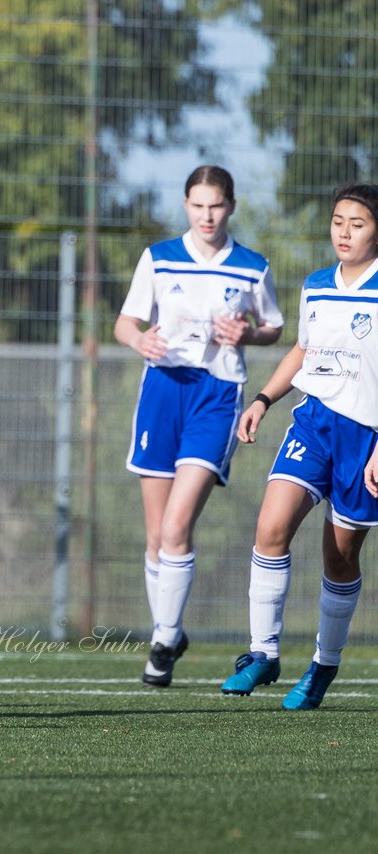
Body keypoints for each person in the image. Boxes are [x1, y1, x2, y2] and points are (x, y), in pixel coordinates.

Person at [114, 164, 282, 687]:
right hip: (162, 391)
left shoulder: (251, 266)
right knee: (155, 534)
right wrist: (138, 340)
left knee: (176, 527)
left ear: (231, 206)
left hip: (217, 395)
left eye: (216, 205)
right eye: (197, 205)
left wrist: (248, 334)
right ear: (185, 205)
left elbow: (273, 327)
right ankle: (168, 631)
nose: (207, 215)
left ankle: (162, 643)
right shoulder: (159, 257)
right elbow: (126, 322)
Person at [222, 182, 378, 710]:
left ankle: (323, 667)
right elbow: (304, 350)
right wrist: (263, 399)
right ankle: (262, 654)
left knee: (339, 558)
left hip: (368, 438)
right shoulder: (316, 285)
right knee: (271, 527)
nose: (345, 232)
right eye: (339, 221)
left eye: (357, 223)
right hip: (313, 423)